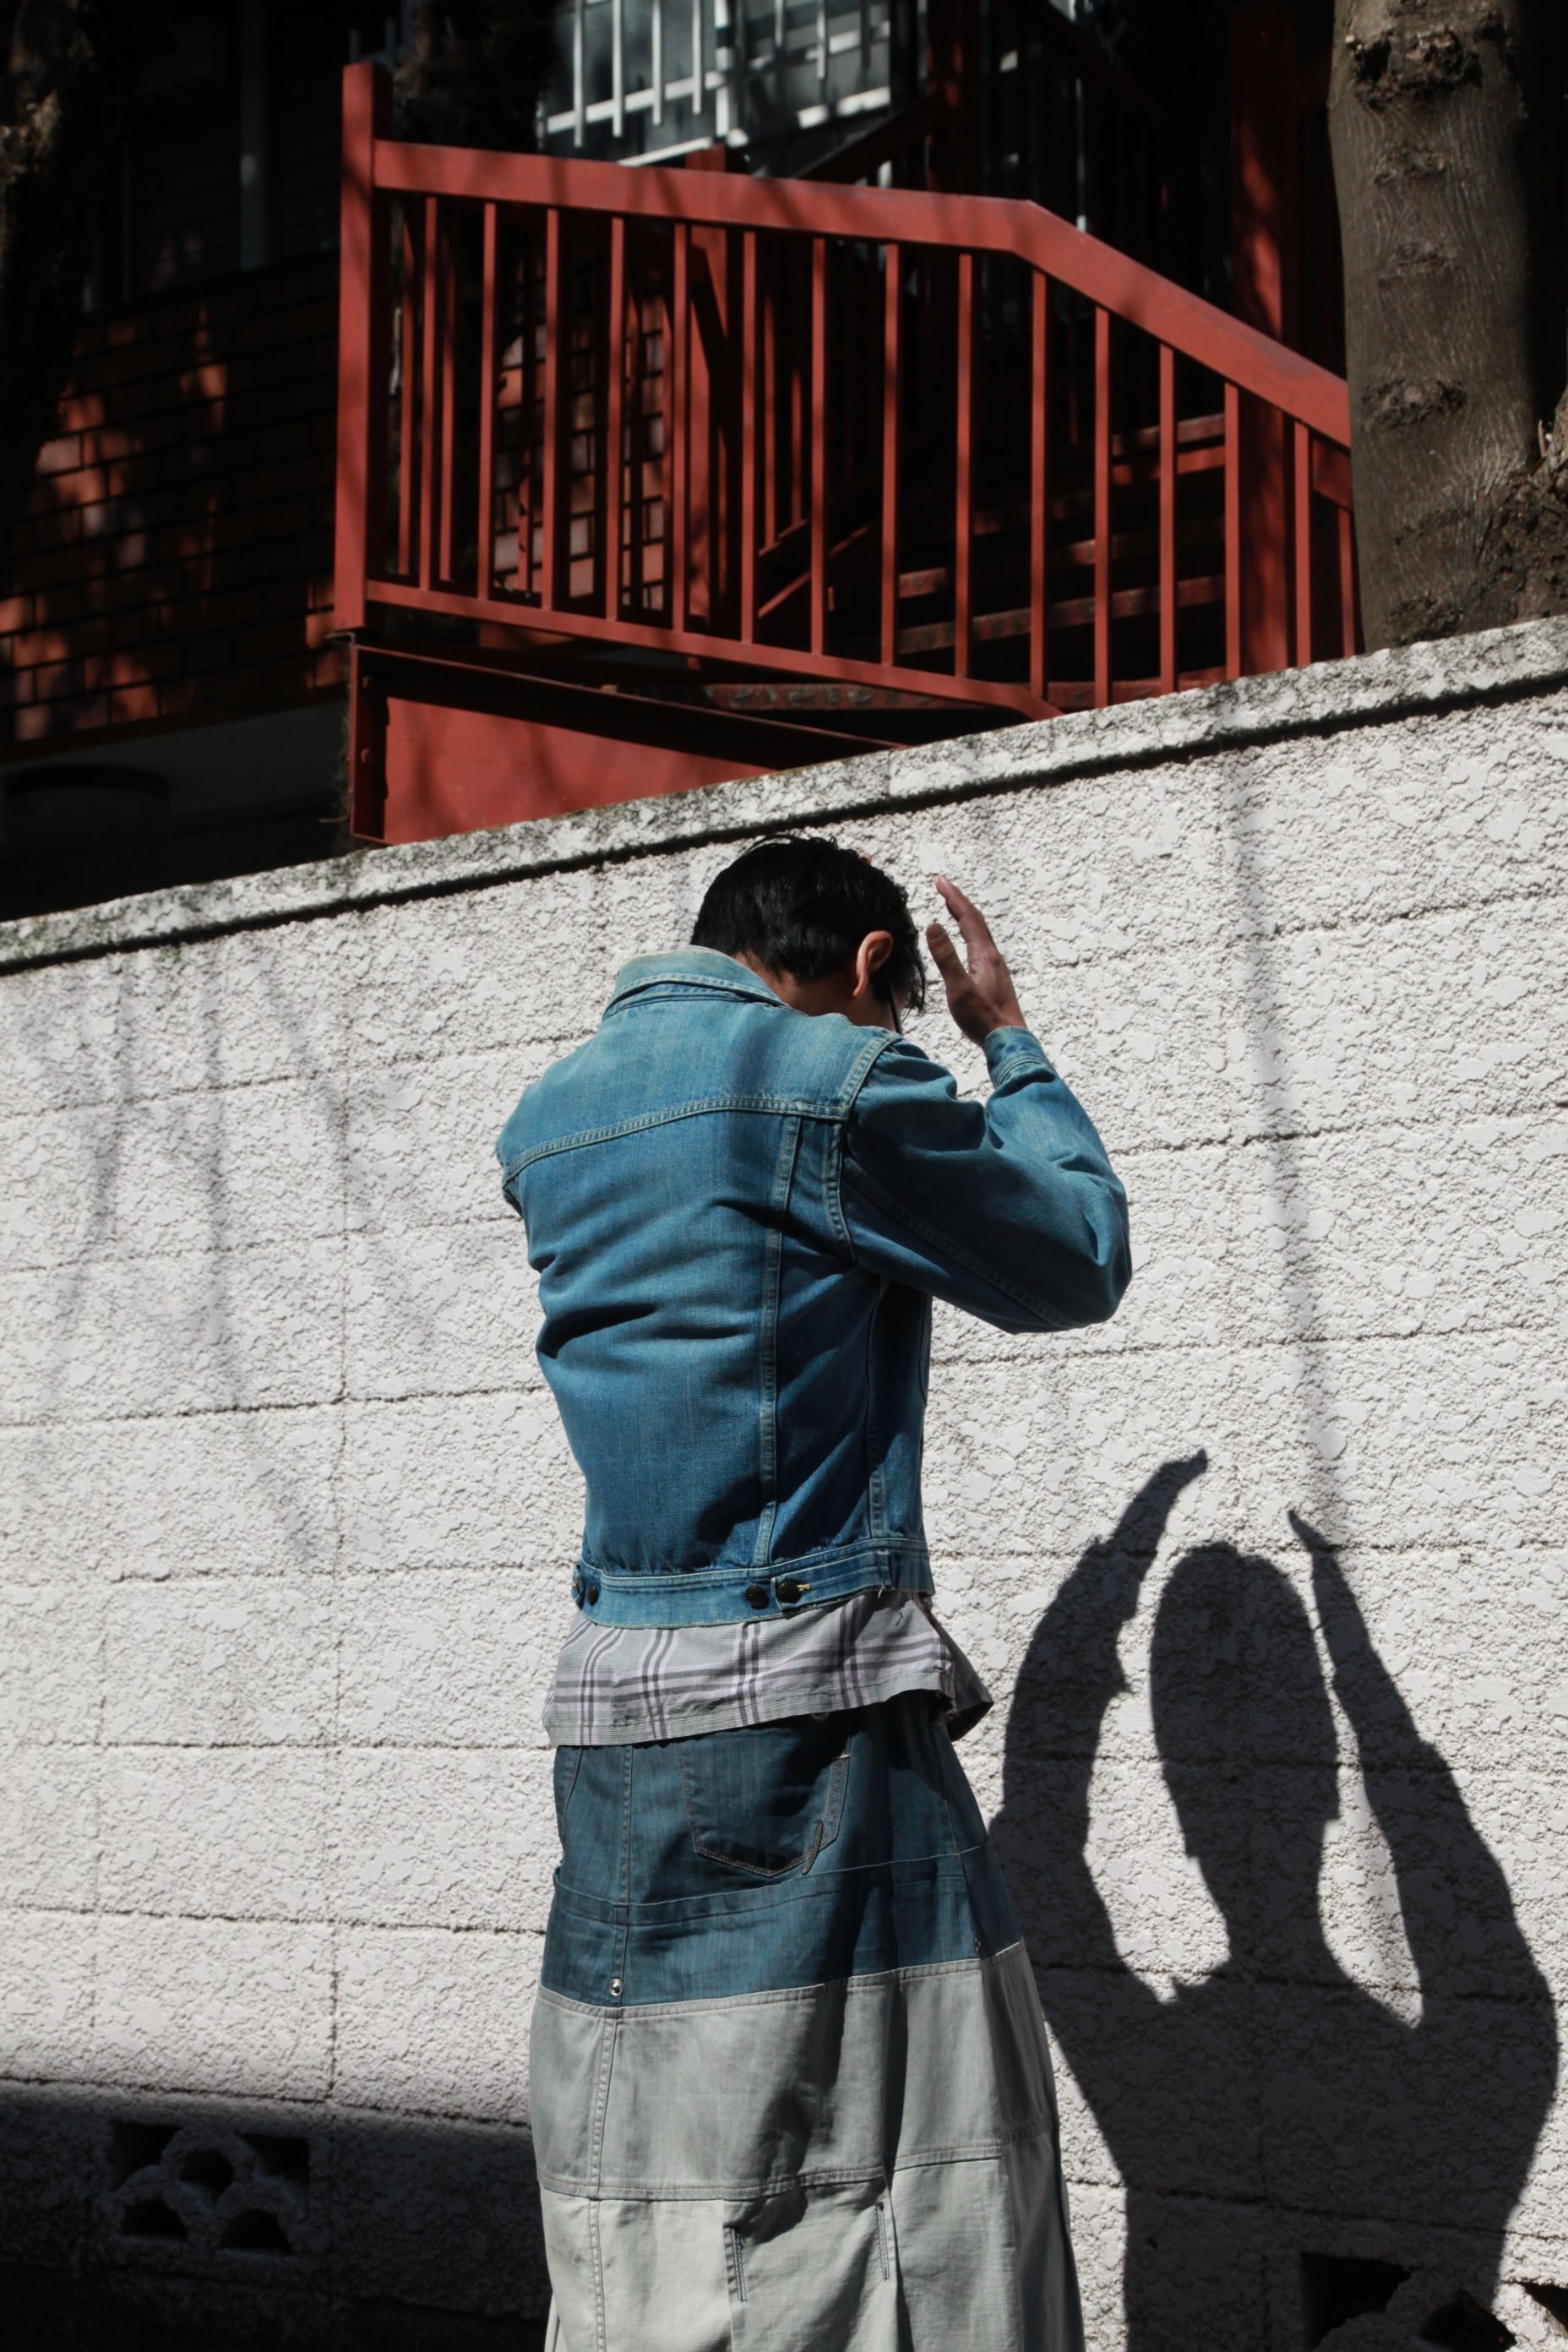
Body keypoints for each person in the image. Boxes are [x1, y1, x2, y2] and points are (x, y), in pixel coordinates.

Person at [496, 834, 1132, 2352]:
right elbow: (1075, 1260)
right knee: (898, 2177)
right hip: (808, 1703)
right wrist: (1006, 1043)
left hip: (619, 1707)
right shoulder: (826, 1085)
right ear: (868, 965)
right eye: (891, 1004)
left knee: (658, 2161)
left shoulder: (552, 1116)